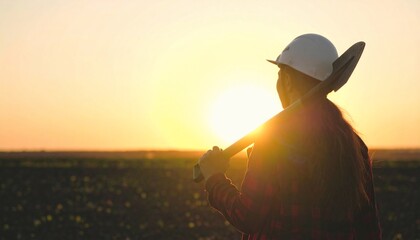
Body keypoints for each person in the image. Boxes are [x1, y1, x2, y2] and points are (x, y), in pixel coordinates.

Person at [198, 34, 382, 239]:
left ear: (286, 80)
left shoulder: (274, 141)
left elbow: (248, 216)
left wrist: (214, 178)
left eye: (279, 74)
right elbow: (368, 226)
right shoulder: (353, 144)